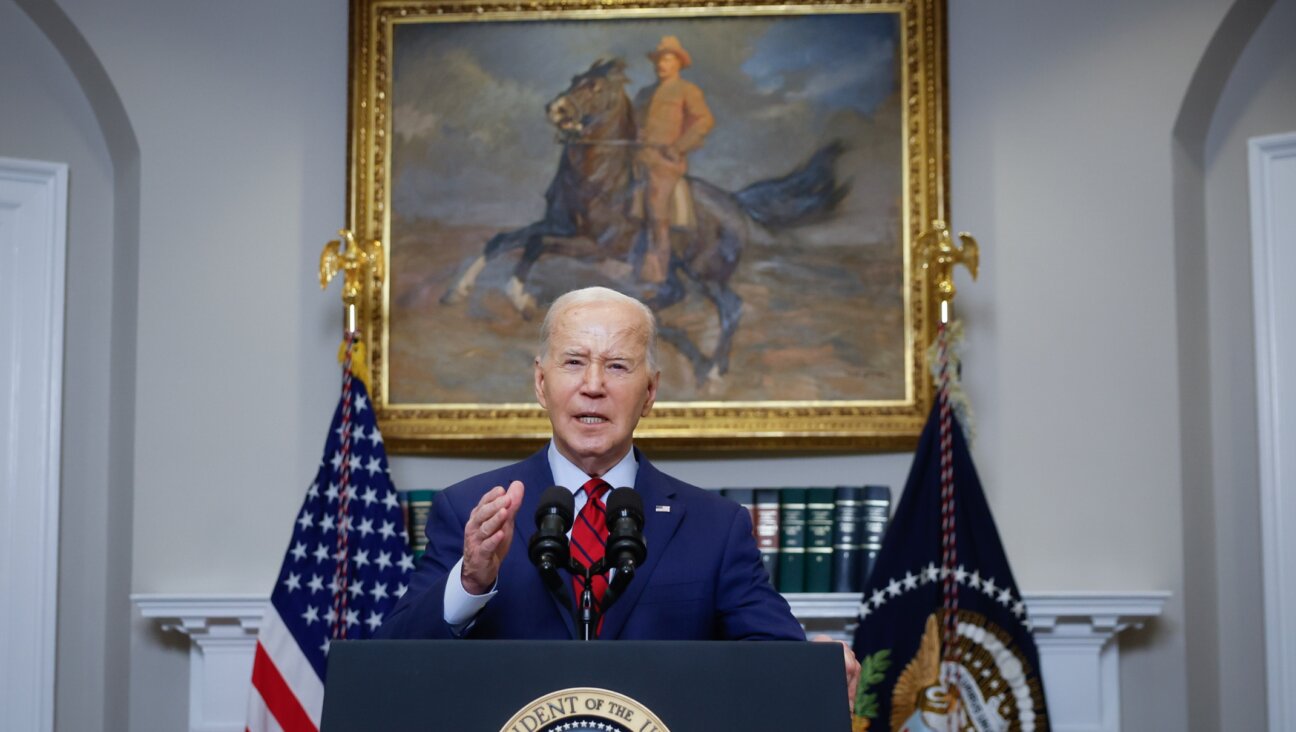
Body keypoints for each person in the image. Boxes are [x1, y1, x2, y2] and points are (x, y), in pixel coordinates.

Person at [376, 286, 859, 707]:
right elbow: (390, 666)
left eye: (617, 366)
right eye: (574, 362)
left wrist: (817, 667)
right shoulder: (468, 509)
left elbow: (778, 661)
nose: (593, 386)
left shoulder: (717, 527)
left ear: (649, 393)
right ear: (541, 384)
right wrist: (471, 582)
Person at [632, 36, 714, 285]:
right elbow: (634, 124)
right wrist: (637, 135)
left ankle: (659, 273)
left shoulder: (687, 90)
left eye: (667, 58)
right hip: (638, 159)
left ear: (678, 62)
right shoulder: (644, 93)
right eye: (658, 59)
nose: (661, 64)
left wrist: (679, 147)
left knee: (656, 209)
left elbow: (704, 121)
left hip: (666, 163)